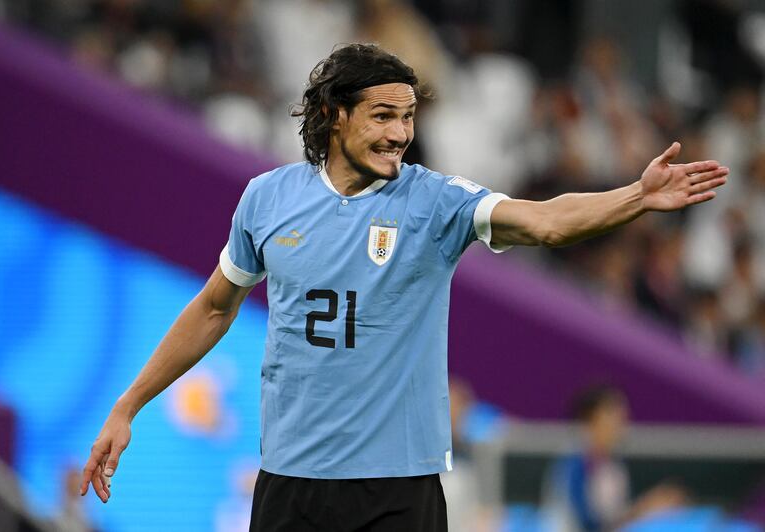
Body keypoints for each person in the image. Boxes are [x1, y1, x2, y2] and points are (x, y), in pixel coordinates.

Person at [80, 44, 728, 531]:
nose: (399, 134)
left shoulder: (435, 203)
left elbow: (546, 222)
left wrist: (635, 198)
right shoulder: (267, 200)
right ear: (334, 116)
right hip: (291, 483)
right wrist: (127, 406)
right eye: (383, 115)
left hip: (398, 489)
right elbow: (214, 308)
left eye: (409, 117)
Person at [542, 385, 687, 532]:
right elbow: (589, 523)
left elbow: (614, 520)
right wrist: (645, 508)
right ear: (591, 417)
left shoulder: (613, 465)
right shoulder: (574, 463)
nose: (621, 420)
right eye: (612, 413)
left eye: (622, 413)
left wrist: (650, 509)